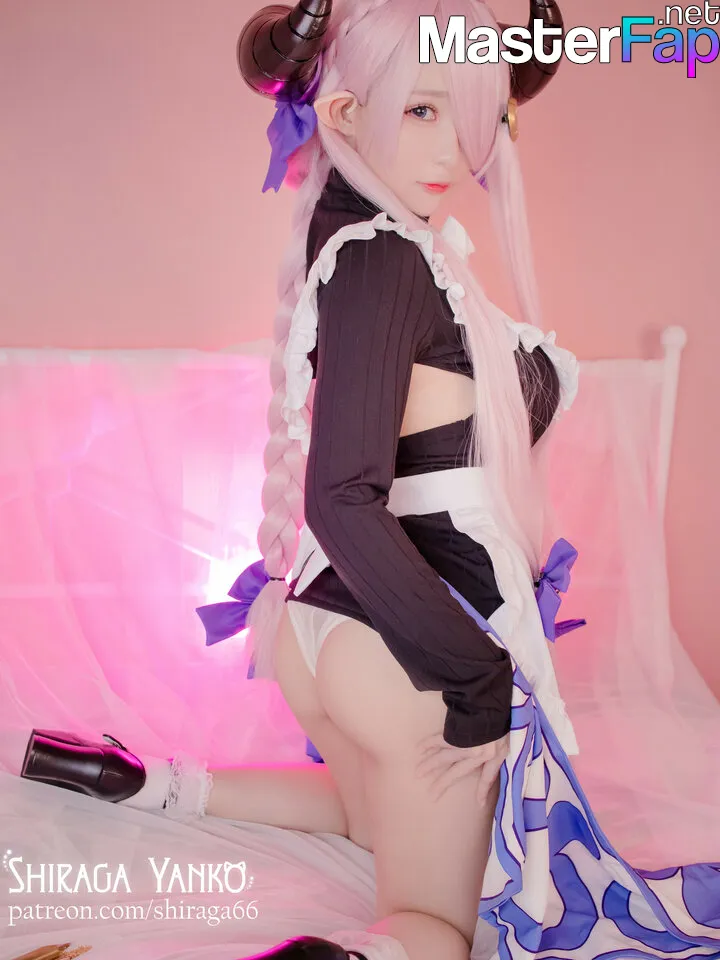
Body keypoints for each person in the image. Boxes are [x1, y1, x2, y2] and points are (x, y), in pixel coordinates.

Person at [20, 1, 720, 959]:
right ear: (347, 114)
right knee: (441, 926)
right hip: (407, 645)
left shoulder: (371, 239)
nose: (450, 147)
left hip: (333, 633)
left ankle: (147, 782)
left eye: (466, 115)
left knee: (368, 816)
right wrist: (475, 678)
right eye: (420, 110)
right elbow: (342, 494)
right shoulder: (384, 259)